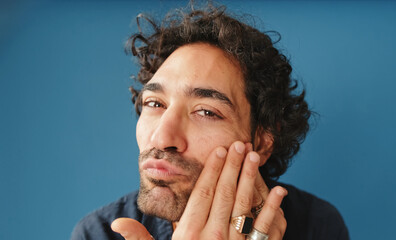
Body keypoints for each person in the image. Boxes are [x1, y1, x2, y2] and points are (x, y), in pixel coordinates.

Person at [71, 3, 349, 240]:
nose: (161, 138)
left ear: (263, 143)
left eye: (206, 112)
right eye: (155, 104)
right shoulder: (98, 233)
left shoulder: (317, 226)